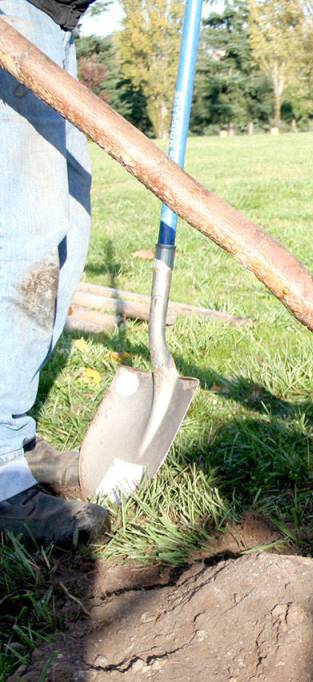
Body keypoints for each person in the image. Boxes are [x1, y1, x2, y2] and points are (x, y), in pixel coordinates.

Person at [0, 0, 108, 544]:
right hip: (12, 17)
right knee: (22, 238)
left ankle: (13, 432)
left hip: (55, 28)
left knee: (68, 223)